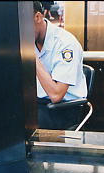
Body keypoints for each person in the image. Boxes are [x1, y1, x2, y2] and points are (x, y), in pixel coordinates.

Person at [33, 1, 87, 130]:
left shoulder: (65, 44)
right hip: (38, 103)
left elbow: (56, 95)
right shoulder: (32, 38)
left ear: (38, 17)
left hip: (64, 108)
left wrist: (30, 54)